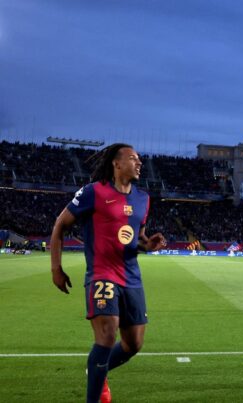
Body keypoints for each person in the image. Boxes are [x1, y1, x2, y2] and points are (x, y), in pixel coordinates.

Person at [50, 144, 166, 403]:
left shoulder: (143, 199)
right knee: (106, 333)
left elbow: (135, 238)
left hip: (132, 277)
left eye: (139, 160)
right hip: (102, 274)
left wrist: (148, 245)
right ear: (116, 163)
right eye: (133, 159)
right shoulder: (94, 192)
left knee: (133, 344)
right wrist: (56, 268)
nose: (139, 164)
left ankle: (97, 369)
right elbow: (60, 225)